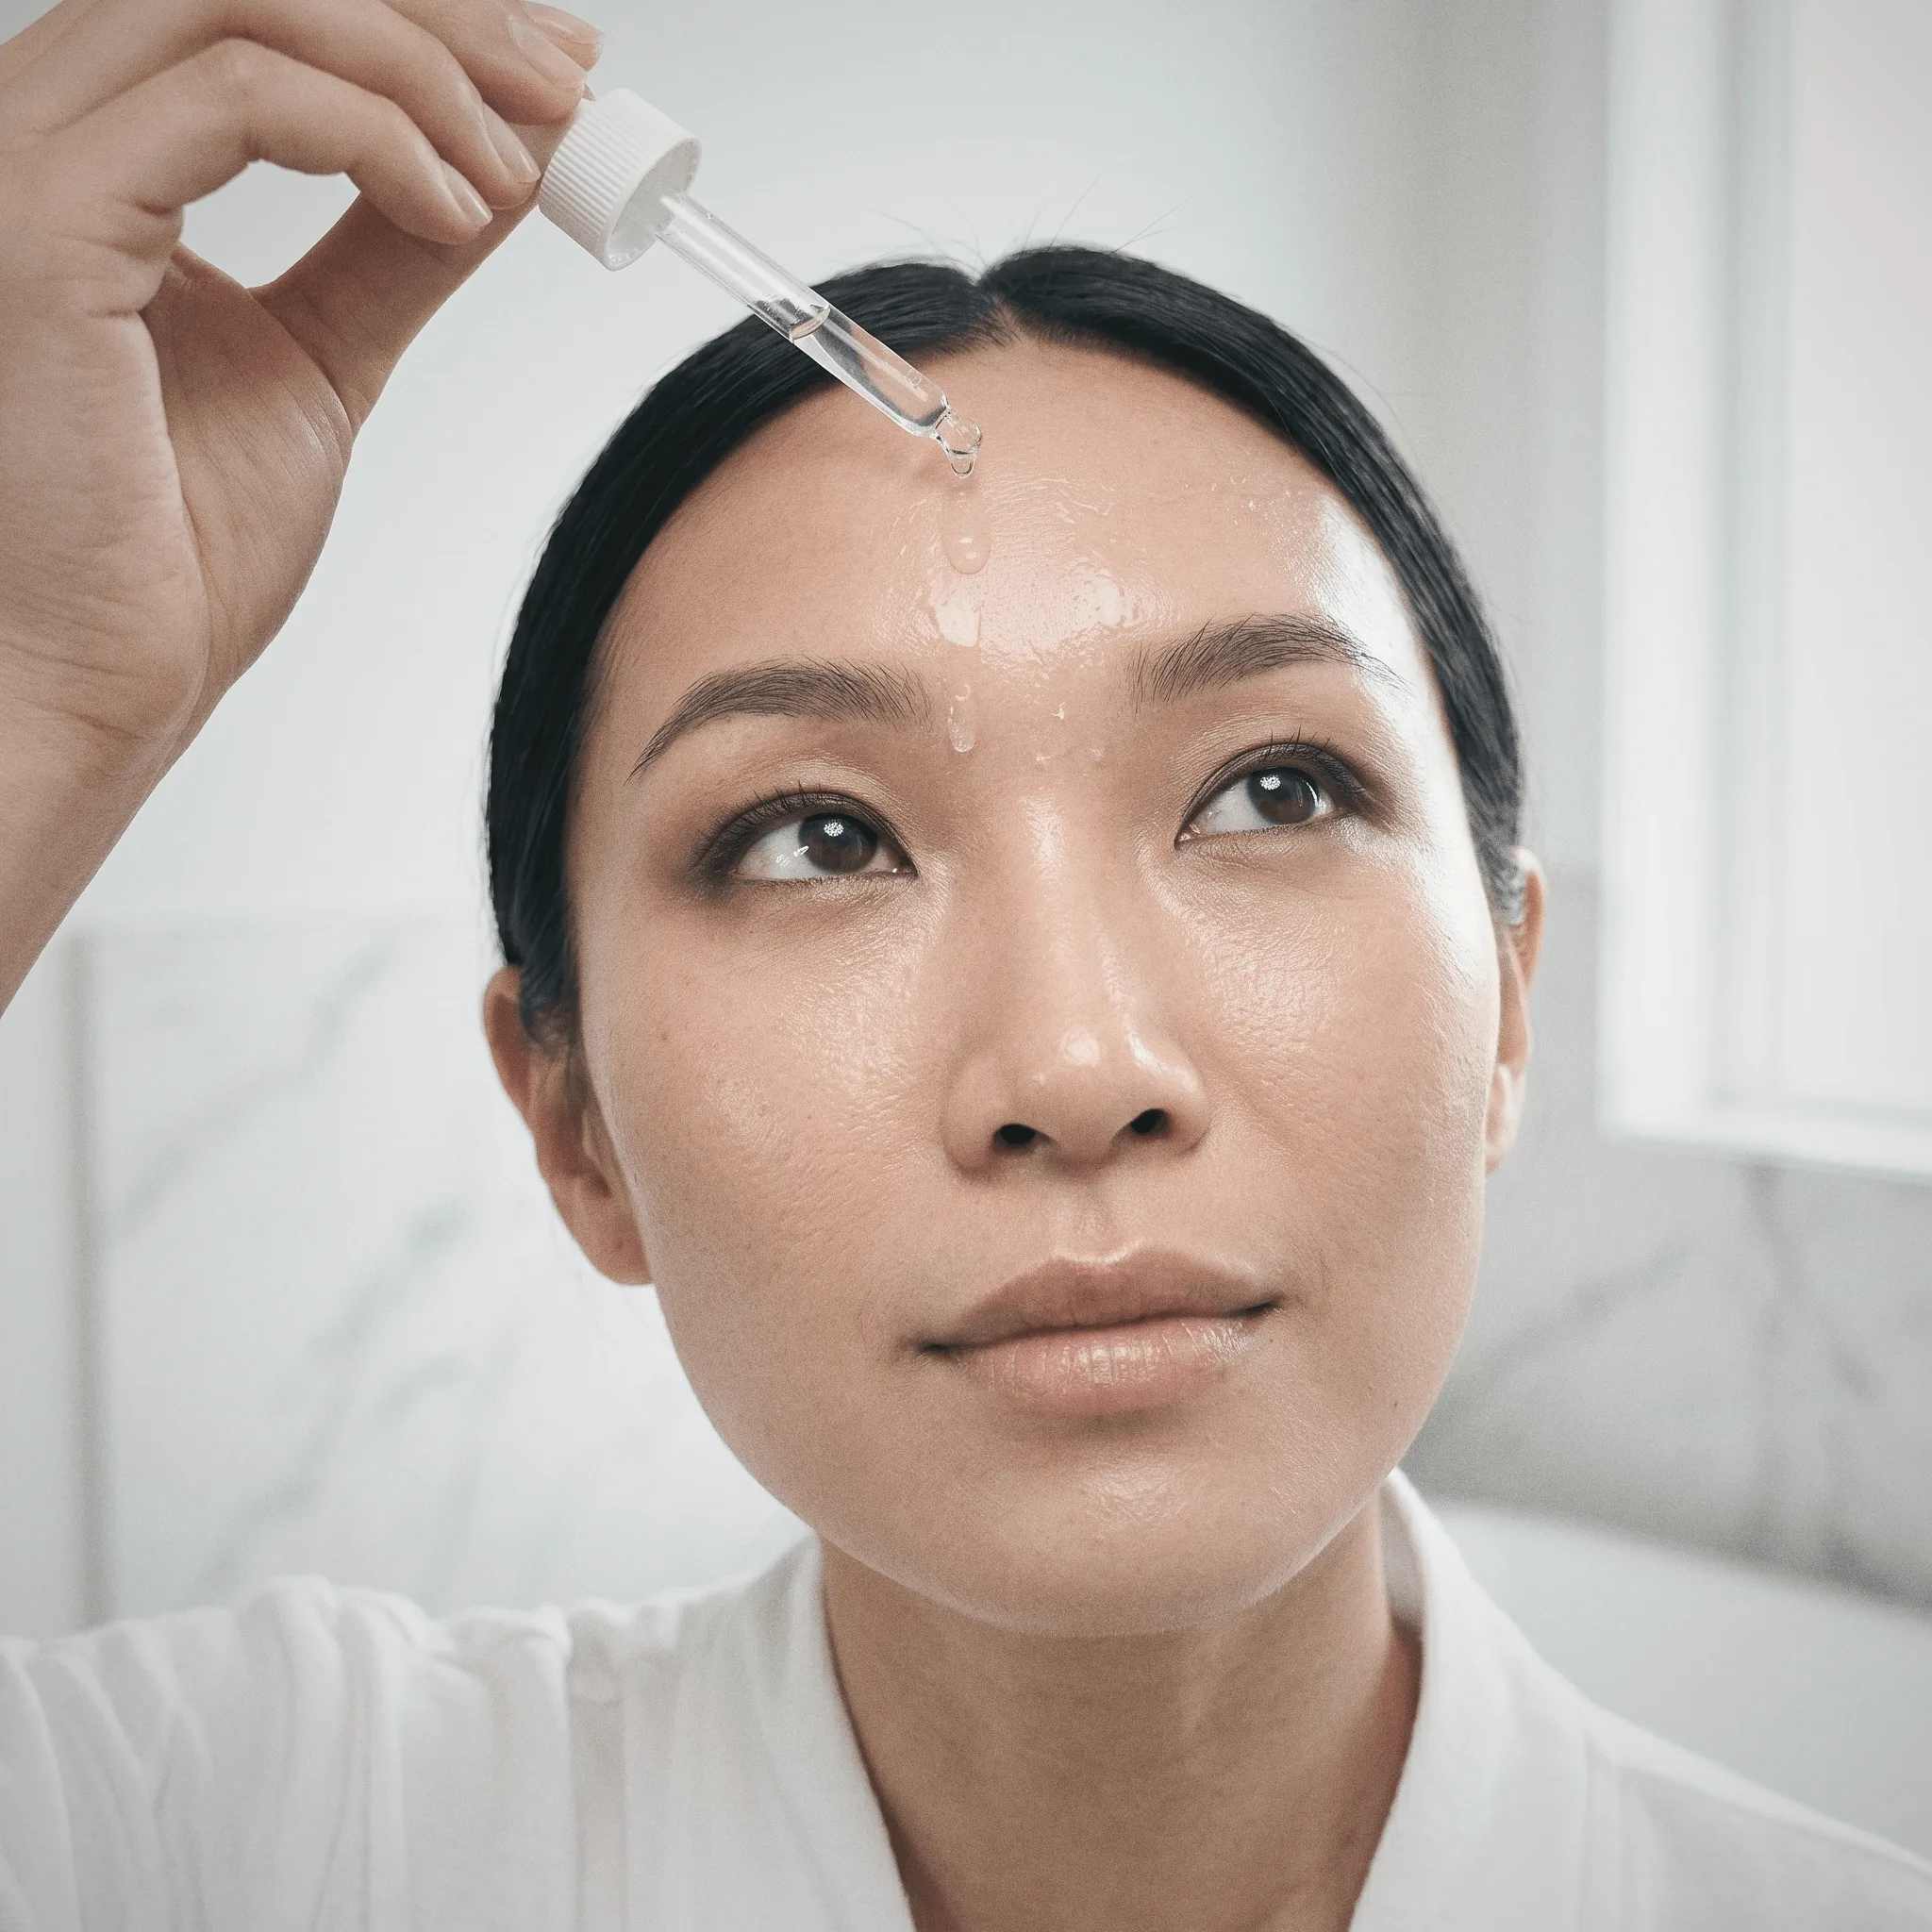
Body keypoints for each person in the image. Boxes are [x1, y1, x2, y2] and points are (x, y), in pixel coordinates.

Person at [1, 4, 1927, 1927]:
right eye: (817, 835)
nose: (1078, 1065)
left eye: (1270, 789)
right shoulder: (254, 1835)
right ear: (575, 1125)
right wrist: (35, 704)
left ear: (1506, 1001)